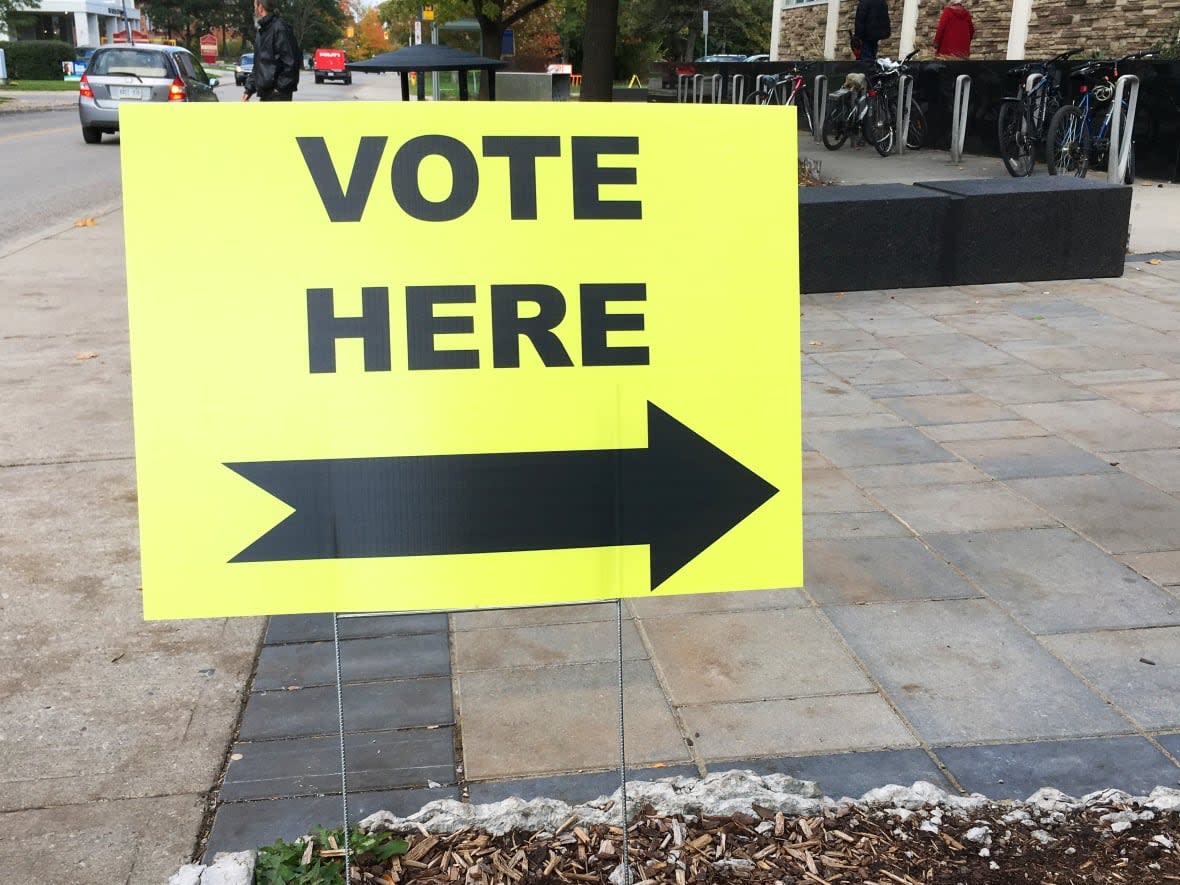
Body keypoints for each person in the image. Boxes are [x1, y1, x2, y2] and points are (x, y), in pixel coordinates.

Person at [242, 0, 301, 102]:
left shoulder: (280, 29)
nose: (254, 10)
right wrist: (249, 89)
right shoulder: (262, 31)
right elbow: (259, 65)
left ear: (260, 8)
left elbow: (291, 62)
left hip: (278, 95)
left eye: (255, 6)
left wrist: (279, 88)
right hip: (266, 93)